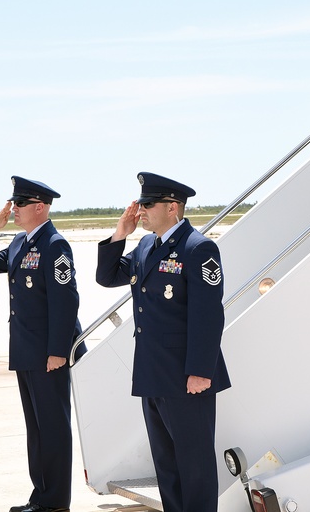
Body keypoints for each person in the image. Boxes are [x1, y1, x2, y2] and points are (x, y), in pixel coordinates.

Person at [96, 172, 230, 512]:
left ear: (173, 207)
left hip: (188, 377)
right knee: (167, 467)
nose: (140, 210)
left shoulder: (198, 248)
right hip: (153, 373)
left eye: (147, 204)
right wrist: (120, 235)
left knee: (194, 466)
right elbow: (108, 276)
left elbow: (208, 316)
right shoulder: (144, 245)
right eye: (140, 203)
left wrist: (200, 371)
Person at [0, 176, 84, 512]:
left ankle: (56, 500)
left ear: (40, 206)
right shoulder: (21, 242)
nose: (14, 209)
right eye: (13, 203)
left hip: (48, 353)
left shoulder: (55, 244)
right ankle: (41, 495)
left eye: (19, 204)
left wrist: (58, 351)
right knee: (36, 429)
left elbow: (66, 302)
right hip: (25, 349)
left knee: (53, 427)